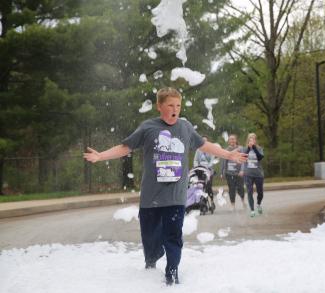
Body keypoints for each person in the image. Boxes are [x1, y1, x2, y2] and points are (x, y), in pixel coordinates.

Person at [83, 87, 247, 286]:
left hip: (176, 196)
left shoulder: (185, 128)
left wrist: (228, 155)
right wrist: (101, 156)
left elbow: (204, 145)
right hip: (151, 197)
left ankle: (172, 274)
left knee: (173, 237)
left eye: (178, 105)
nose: (175, 109)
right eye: (170, 105)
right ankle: (151, 264)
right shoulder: (148, 127)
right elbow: (125, 147)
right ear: (159, 106)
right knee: (150, 241)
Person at [220, 134, 246, 211]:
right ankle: (232, 205)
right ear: (228, 141)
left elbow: (243, 160)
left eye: (233, 139)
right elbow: (223, 162)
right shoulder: (226, 150)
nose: (232, 141)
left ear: (236, 140)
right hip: (229, 173)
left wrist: (242, 170)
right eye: (230, 139)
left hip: (238, 173)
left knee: (240, 188)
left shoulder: (240, 149)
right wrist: (222, 172)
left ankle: (243, 201)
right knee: (231, 189)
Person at [242, 133, 264, 217]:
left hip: (258, 174)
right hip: (248, 174)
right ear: (248, 140)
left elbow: (259, 158)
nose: (252, 141)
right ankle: (252, 210)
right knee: (249, 192)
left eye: (253, 139)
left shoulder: (259, 148)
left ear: (255, 140)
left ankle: (258, 204)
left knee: (260, 192)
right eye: (250, 139)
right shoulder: (245, 149)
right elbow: (243, 157)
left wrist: (254, 147)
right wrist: (248, 148)